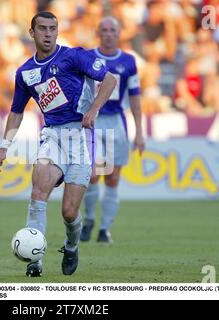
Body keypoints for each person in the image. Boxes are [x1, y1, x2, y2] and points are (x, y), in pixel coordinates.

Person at [0, 12, 117, 277]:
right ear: (32, 33)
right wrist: (4, 146)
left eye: (53, 28)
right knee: (38, 192)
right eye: (43, 29)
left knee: (70, 212)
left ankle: (71, 246)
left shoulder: (73, 57)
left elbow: (109, 79)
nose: (48, 33)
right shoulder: (25, 73)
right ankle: (34, 260)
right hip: (52, 136)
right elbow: (16, 111)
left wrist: (93, 109)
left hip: (81, 136)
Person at [81, 17, 145, 244]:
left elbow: (135, 98)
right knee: (92, 174)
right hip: (93, 121)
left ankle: (104, 228)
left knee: (113, 177)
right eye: (104, 30)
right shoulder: (88, 57)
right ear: (98, 32)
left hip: (117, 122)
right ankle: (88, 220)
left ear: (119, 33)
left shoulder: (128, 61)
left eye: (112, 30)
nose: (108, 34)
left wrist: (139, 131)